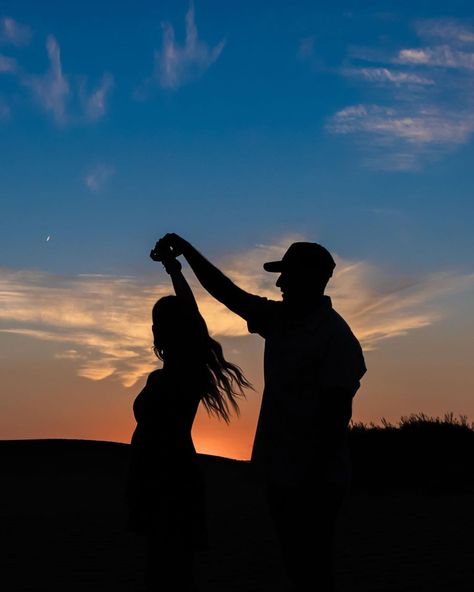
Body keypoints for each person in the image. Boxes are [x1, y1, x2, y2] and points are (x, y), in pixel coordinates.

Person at [152, 234, 367, 592]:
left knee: (312, 569)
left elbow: (334, 419)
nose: (280, 283)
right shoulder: (281, 319)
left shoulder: (336, 340)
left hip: (315, 481)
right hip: (284, 474)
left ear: (311, 280)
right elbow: (227, 293)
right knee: (298, 568)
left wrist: (306, 480)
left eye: (287, 276)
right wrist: (185, 253)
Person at [126, 248, 251, 592]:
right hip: (156, 474)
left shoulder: (184, 372)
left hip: (171, 475)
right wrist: (173, 270)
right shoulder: (171, 372)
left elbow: (192, 317)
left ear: (167, 330)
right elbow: (191, 317)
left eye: (158, 322)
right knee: (162, 562)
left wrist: (176, 272)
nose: (153, 328)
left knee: (170, 566)